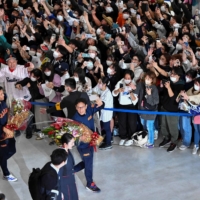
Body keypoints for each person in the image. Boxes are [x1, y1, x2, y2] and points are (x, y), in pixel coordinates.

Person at [73, 98, 105, 192]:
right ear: (76, 108)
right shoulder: (75, 119)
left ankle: (71, 170)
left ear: (86, 106)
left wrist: (101, 103)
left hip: (92, 142)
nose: (81, 109)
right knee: (89, 164)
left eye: (82, 107)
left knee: (87, 161)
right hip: (83, 146)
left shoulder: (89, 110)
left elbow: (101, 106)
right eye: (78, 107)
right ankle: (89, 183)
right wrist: (79, 138)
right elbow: (72, 135)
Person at [159, 68, 185, 152]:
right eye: (171, 73)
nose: (171, 75)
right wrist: (162, 87)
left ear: (179, 76)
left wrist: (169, 88)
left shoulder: (181, 85)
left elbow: (174, 98)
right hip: (164, 107)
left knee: (172, 127)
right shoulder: (168, 82)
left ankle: (174, 142)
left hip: (172, 109)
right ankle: (166, 138)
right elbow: (162, 93)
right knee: (163, 125)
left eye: (174, 74)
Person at [112, 69, 138, 146]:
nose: (126, 80)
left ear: (132, 78)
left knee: (131, 122)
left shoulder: (134, 85)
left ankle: (131, 138)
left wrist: (131, 92)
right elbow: (114, 93)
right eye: (125, 78)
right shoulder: (120, 82)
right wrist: (118, 91)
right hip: (122, 105)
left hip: (131, 106)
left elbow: (135, 100)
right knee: (122, 122)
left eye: (128, 78)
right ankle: (123, 137)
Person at [136, 71, 159, 148]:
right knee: (144, 125)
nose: (146, 79)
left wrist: (149, 95)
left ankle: (151, 142)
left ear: (152, 80)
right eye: (146, 78)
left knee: (150, 127)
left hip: (151, 112)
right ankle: (151, 134)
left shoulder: (154, 88)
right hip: (143, 110)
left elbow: (155, 102)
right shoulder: (143, 86)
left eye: (149, 78)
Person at [60, 133, 85, 200]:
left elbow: (71, 168)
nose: (73, 145)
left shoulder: (67, 151)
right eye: (72, 143)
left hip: (70, 179)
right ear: (65, 144)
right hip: (65, 183)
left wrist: (84, 163)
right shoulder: (60, 156)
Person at [0, 87, 17, 182]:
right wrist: (3, 129)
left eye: (3, 93)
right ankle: (6, 174)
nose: (3, 95)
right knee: (3, 154)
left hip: (8, 132)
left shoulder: (3, 101)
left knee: (12, 150)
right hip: (1, 136)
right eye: (1, 94)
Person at [92, 77, 113, 150]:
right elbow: (92, 91)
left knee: (107, 128)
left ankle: (108, 143)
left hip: (107, 112)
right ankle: (107, 139)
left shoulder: (107, 93)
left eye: (100, 83)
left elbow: (101, 103)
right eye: (98, 82)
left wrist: (94, 98)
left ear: (105, 84)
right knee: (104, 127)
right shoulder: (100, 88)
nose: (99, 84)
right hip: (102, 111)